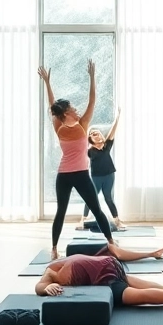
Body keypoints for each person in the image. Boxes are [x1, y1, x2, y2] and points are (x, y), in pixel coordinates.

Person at [38, 61, 115, 259]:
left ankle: (112, 243)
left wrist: (92, 78)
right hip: (64, 175)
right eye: (72, 108)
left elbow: (92, 101)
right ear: (65, 114)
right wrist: (47, 83)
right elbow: (52, 104)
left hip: (81, 174)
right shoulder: (59, 126)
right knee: (60, 212)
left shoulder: (83, 124)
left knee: (97, 209)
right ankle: (54, 249)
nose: (76, 109)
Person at [35, 247, 163, 307]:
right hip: (109, 271)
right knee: (145, 289)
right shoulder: (54, 270)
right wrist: (46, 288)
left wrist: (45, 287)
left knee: (145, 291)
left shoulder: (52, 270)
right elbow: (40, 287)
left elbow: (39, 286)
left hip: (108, 272)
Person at [80, 108, 124, 231]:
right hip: (96, 177)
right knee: (91, 197)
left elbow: (112, 132)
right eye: (93, 134)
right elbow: (82, 142)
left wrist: (117, 118)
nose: (96, 134)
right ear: (90, 139)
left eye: (97, 133)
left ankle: (117, 221)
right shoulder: (89, 151)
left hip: (109, 175)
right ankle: (83, 219)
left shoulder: (106, 146)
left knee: (108, 198)